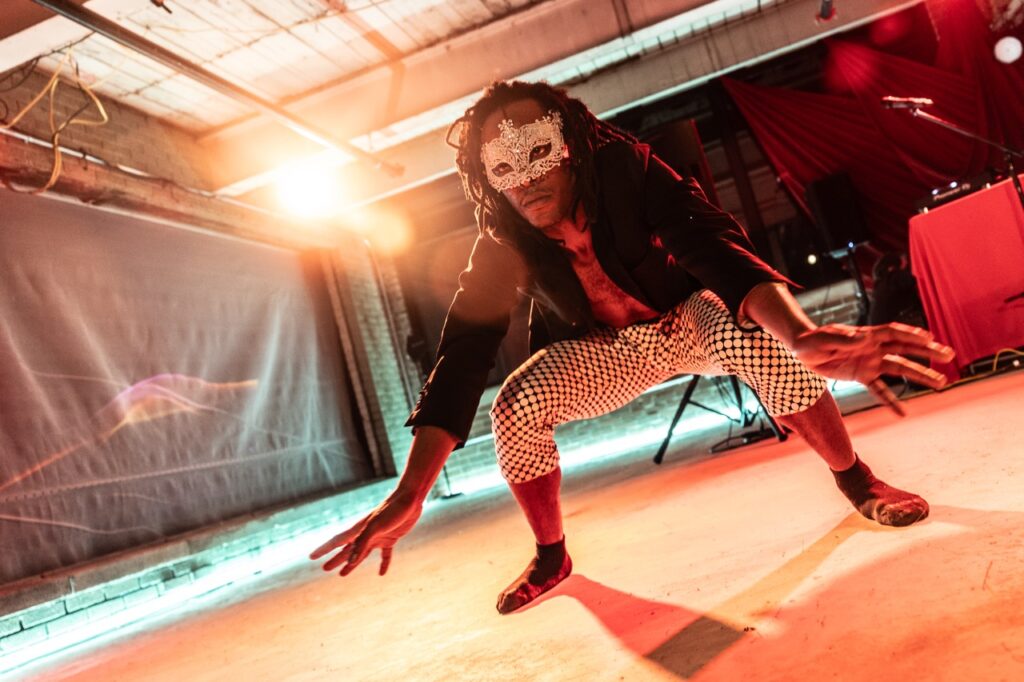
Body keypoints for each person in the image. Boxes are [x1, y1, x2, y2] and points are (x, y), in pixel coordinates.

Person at [309, 81, 954, 614]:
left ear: (570, 146)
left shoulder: (630, 171)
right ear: (488, 180)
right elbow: (465, 347)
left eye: (536, 154)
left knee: (750, 336)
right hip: (607, 352)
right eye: (503, 170)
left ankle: (856, 480)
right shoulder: (504, 234)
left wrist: (805, 334)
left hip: (689, 319)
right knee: (514, 406)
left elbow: (716, 249)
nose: (525, 182)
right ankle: (552, 556)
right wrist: (414, 487)